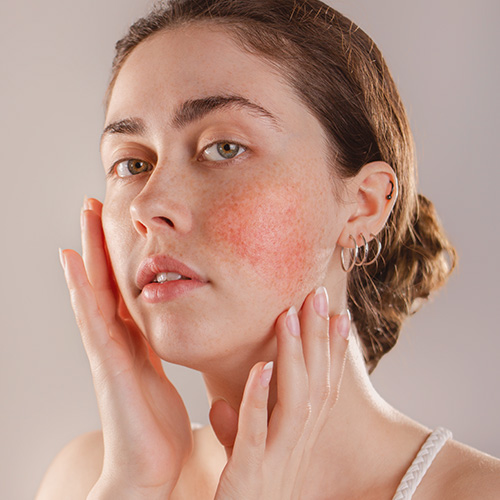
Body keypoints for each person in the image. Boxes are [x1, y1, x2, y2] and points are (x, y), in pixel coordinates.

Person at [36, 0, 500, 498]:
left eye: (224, 148)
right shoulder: (86, 479)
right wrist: (135, 483)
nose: (149, 205)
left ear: (363, 205)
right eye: (131, 164)